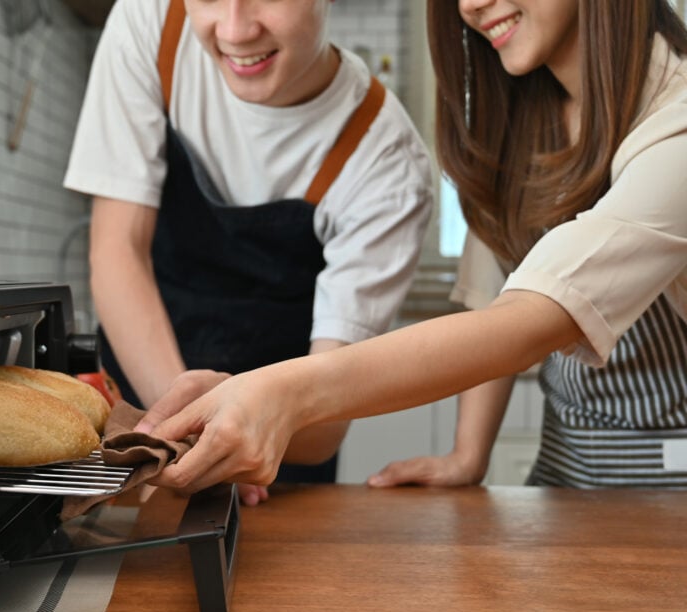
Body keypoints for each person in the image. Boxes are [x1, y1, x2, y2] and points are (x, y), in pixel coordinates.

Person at [133, 0, 687, 494]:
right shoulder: (532, 112)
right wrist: (469, 455)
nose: (472, 4)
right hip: (563, 469)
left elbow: (533, 319)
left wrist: (279, 392)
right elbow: (495, 294)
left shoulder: (677, 126)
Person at [63, 0, 433, 491]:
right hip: (140, 424)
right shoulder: (153, 25)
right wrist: (188, 434)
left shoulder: (387, 162)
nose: (236, 30)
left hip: (278, 456)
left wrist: (235, 433)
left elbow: (326, 422)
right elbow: (117, 252)